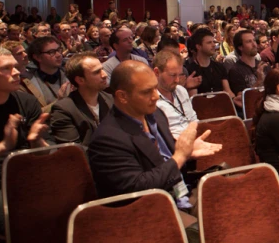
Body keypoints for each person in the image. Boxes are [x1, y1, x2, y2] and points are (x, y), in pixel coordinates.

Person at [87, 61, 221, 210]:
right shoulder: (107, 139)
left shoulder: (155, 115)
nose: (156, 97)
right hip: (152, 213)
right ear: (122, 96)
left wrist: (188, 153)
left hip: (182, 193)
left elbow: (165, 161)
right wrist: (180, 156)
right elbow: (138, 188)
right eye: (147, 91)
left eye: (155, 89)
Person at [0, 47, 51, 234]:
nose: (17, 71)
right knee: (28, 219)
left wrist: (36, 141)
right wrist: (4, 146)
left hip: (30, 176)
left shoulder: (26, 102)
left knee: (69, 205)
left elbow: (46, 153)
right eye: (6, 68)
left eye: (15, 66)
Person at [50, 52, 113, 145]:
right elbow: (73, 152)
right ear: (80, 80)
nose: (104, 75)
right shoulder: (64, 109)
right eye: (97, 72)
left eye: (102, 69)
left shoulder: (111, 99)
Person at [154, 50, 198, 140]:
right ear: (157, 72)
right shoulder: (152, 101)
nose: (177, 80)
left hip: (196, 138)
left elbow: (193, 119)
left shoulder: (181, 90)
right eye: (173, 75)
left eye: (179, 75)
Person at [24, 35, 70, 109]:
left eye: (59, 50)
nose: (58, 55)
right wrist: (59, 101)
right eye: (51, 52)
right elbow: (34, 114)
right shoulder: (28, 82)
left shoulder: (70, 74)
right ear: (37, 57)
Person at [185, 28, 234, 97]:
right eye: (209, 43)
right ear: (198, 46)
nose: (213, 45)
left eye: (213, 42)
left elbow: (227, 91)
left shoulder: (219, 67)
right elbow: (194, 99)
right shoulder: (190, 70)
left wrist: (234, 99)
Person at [227, 30, 267, 95]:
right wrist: (259, 81)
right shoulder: (235, 71)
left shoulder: (264, 65)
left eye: (254, 40)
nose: (254, 44)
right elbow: (243, 98)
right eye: (249, 41)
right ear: (240, 47)